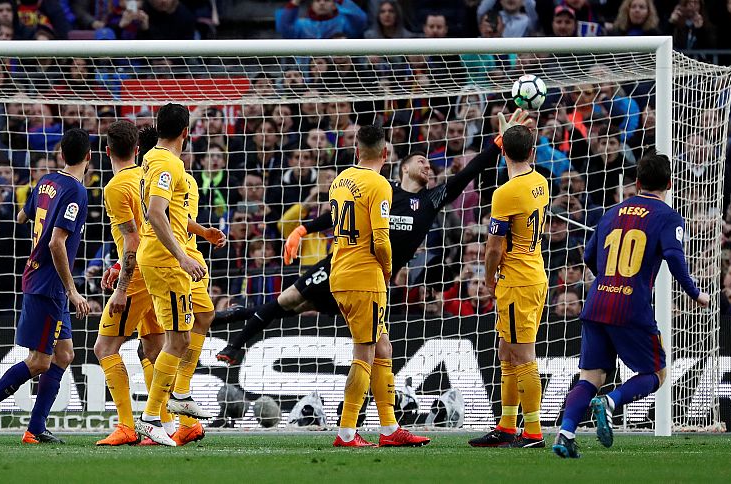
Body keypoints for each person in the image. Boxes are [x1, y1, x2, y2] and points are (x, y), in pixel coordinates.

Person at [213, 110, 533, 366]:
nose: (427, 167)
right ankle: (234, 344)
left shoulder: (433, 199)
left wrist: (499, 144)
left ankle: (220, 322)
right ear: (403, 168)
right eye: (420, 161)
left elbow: (470, 171)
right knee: (288, 303)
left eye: (429, 164)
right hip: (344, 265)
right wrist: (303, 229)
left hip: (376, 281)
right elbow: (338, 213)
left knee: (372, 348)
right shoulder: (382, 190)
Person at [553, 153, 710, 458]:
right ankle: (611, 403)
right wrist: (694, 293)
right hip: (631, 306)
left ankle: (565, 433)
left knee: (591, 377)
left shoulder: (611, 212)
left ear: (636, 183)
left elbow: (587, 257)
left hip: (596, 301)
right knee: (657, 374)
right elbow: (675, 258)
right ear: (668, 183)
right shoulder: (667, 216)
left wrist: (608, 280)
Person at [327, 125, 429, 447]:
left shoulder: (339, 181)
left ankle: (389, 429)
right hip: (365, 278)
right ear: (386, 154)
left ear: (357, 150)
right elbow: (382, 241)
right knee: (365, 353)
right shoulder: (380, 185)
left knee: (383, 348)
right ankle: (346, 432)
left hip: (340, 271)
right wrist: (387, 270)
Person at [0, 128, 91, 444]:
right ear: (89, 157)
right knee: (39, 361)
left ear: (61, 154)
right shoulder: (76, 191)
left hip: (44, 283)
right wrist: (73, 290)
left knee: (64, 355)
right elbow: (56, 243)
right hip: (49, 286)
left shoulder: (46, 181)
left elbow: (22, 218)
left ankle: (36, 428)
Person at [468, 113, 548, 449]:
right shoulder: (540, 181)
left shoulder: (504, 194)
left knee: (523, 355)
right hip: (535, 274)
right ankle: (506, 426)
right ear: (532, 152)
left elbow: (493, 247)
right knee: (506, 351)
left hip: (515, 281)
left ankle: (533, 432)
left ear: (503, 153)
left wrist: (487, 277)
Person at [134, 103, 208, 446]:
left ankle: (171, 401)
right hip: (165, 259)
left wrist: (201, 232)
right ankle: (154, 414)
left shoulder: (151, 158)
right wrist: (182, 257)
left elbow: (170, 213)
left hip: (158, 257)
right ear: (186, 133)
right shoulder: (167, 162)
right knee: (178, 339)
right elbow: (155, 213)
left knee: (179, 335)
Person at [93, 121, 166, 447]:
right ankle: (169, 423)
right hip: (154, 270)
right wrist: (121, 261)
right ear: (137, 149)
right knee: (153, 349)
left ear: (106, 151)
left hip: (135, 279)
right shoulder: (147, 175)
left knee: (104, 348)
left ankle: (126, 425)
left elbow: (132, 238)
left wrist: (121, 288)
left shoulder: (115, 187)